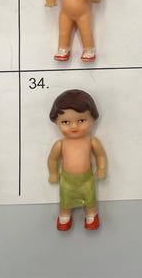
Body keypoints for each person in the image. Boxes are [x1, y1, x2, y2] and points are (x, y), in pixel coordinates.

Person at [47, 89, 107, 231]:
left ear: (92, 119)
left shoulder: (91, 141)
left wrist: (101, 168)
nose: (74, 126)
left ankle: (91, 214)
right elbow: (53, 160)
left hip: (87, 179)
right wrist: (53, 173)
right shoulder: (60, 144)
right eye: (65, 122)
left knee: (90, 197)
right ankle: (64, 215)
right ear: (56, 122)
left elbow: (100, 155)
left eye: (81, 120)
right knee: (65, 199)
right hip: (67, 180)